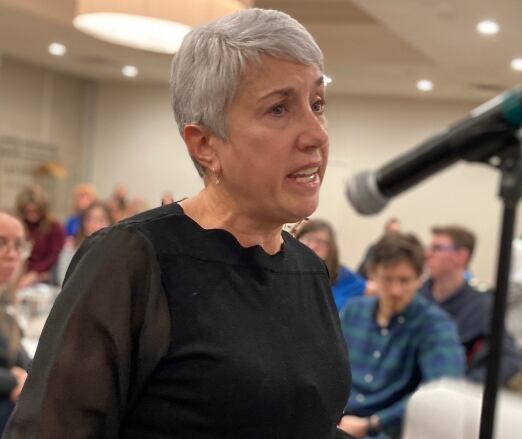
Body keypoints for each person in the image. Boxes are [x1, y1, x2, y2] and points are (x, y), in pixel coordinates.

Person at [4, 9, 351, 438]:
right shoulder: (132, 259)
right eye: (279, 109)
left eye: (317, 104)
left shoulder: (307, 269)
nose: (316, 133)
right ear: (205, 144)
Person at [339, 233, 465, 439]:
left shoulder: (434, 326)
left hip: (389, 430)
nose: (396, 290)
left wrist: (373, 424)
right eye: (387, 279)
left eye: (404, 280)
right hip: (338, 421)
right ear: (372, 274)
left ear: (419, 279)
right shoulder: (354, 312)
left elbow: (443, 392)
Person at [419, 225, 521, 385]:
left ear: (461, 256)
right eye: (429, 247)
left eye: (437, 248)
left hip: (447, 394)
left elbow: (509, 360)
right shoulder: (414, 295)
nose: (427, 254)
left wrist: (466, 385)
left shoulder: (482, 305)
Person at [0, 212, 33, 431]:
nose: (12, 255)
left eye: (18, 245)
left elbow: (20, 357)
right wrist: (11, 383)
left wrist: (27, 378)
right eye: (1, 243)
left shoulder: (5, 303)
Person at [296, 219, 366, 310]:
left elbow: (377, 289)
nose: (312, 246)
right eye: (308, 239)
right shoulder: (284, 270)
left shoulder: (341, 274)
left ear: (330, 248)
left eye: (320, 242)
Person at [15, 186, 66, 288]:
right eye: (28, 212)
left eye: (36, 211)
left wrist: (34, 274)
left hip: (45, 277)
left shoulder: (54, 226)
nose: (32, 215)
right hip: (19, 273)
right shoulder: (19, 225)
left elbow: (53, 255)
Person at [55, 202, 114, 286]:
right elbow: (63, 282)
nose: (96, 224)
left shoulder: (115, 253)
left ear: (111, 223)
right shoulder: (71, 249)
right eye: (91, 219)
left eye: (101, 219)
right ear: (84, 223)